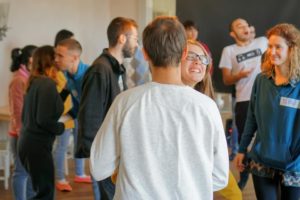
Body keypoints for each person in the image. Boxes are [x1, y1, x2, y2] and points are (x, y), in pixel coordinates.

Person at [90, 16, 228, 199]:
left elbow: (98, 168)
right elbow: (220, 177)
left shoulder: (125, 102)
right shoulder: (207, 107)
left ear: (145, 53)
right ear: (184, 52)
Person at [235, 23, 300, 200]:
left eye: (278, 47)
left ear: (292, 49)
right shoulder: (261, 80)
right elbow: (251, 119)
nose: (271, 52)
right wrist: (242, 150)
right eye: (270, 46)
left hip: (295, 167)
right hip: (261, 161)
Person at [76, 17, 138, 199]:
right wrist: (96, 157)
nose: (136, 44)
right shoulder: (99, 70)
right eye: (134, 38)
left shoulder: (116, 68)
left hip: (115, 150)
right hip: (105, 153)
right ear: (122, 39)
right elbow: (89, 116)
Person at [181, 39, 242, 200]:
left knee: (235, 195)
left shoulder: (206, 101)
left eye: (203, 58)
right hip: (183, 171)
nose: (198, 61)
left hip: (206, 163)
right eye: (191, 56)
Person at [219, 17, 268, 189]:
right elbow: (226, 79)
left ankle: (266, 174)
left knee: (266, 137)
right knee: (243, 141)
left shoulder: (263, 42)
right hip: (243, 99)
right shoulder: (229, 50)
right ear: (233, 33)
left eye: (246, 24)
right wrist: (239, 75)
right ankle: (244, 176)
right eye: (239, 26)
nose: (244, 27)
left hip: (266, 96)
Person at [18, 45, 65, 200]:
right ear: (50, 61)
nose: (59, 60)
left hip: (27, 144)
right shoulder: (47, 84)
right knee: (45, 194)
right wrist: (61, 127)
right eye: (56, 57)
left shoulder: (36, 83)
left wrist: (66, 91)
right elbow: (44, 119)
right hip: (37, 147)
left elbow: (48, 108)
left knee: (42, 191)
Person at [54, 37, 92, 192]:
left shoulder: (89, 75)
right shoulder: (67, 75)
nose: (56, 59)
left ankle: (80, 173)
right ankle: (64, 178)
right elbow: (71, 102)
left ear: (74, 58)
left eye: (60, 56)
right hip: (80, 117)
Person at [8, 45, 37, 200]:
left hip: (28, 134)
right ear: (31, 60)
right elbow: (17, 111)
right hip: (21, 134)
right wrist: (23, 134)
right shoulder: (19, 80)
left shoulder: (27, 78)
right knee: (21, 173)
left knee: (30, 172)